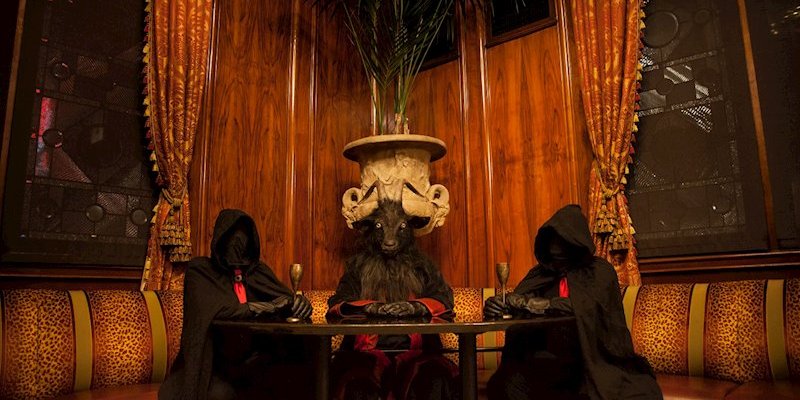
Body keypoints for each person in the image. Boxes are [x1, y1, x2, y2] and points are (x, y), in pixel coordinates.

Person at [484, 204, 662, 400]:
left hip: (591, 360)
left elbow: (583, 307)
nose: (556, 252)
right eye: (553, 245)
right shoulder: (540, 274)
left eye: (563, 245)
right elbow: (515, 304)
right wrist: (497, 305)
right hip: (544, 362)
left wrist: (530, 303)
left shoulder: (599, 271)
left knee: (634, 392)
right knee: (505, 386)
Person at [159, 209, 314, 400]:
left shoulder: (259, 273)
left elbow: (285, 300)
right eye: (231, 235)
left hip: (255, 362)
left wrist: (300, 304)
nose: (237, 242)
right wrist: (269, 307)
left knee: (295, 379)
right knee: (220, 395)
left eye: (243, 236)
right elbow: (218, 310)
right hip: (214, 365)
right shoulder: (201, 271)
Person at [326, 200, 459, 400]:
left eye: (401, 226)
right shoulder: (357, 267)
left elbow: (444, 298)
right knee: (357, 387)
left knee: (434, 380)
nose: (389, 239)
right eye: (380, 226)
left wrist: (416, 307)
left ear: (410, 229)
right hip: (366, 355)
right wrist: (369, 308)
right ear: (371, 229)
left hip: (418, 354)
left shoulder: (423, 266)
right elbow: (337, 303)